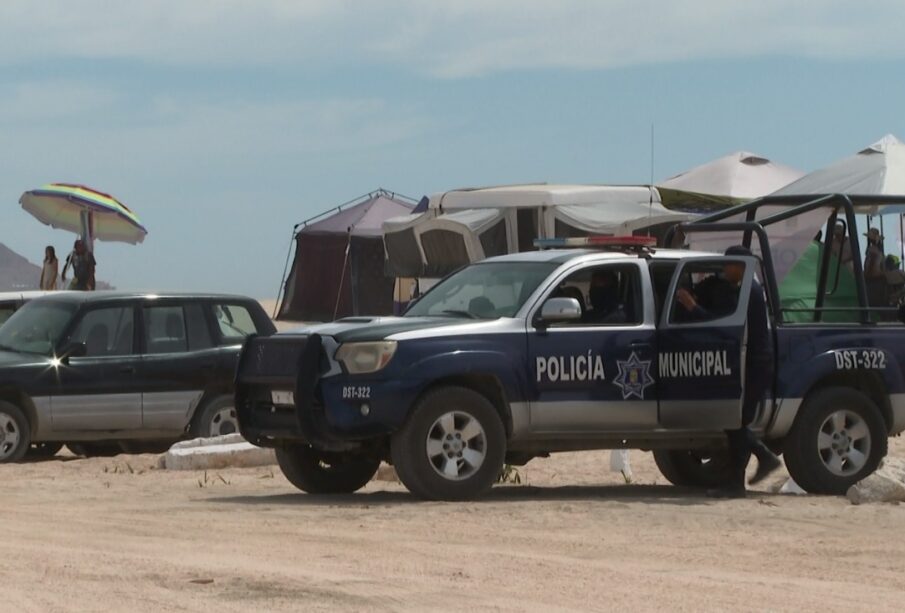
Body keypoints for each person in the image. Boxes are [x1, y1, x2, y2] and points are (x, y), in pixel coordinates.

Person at [675, 245, 781, 497]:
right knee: (736, 423)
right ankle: (742, 477)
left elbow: (723, 328)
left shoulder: (749, 292)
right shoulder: (744, 290)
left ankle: (759, 461)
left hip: (754, 364)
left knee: (736, 423)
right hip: (751, 362)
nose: (724, 270)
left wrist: (693, 308)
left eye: (728, 264)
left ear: (740, 266)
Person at [863, 228, 886, 308]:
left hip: (872, 278)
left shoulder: (872, 250)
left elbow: (872, 264)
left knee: (872, 301)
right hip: (876, 277)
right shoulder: (879, 250)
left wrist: (866, 275)